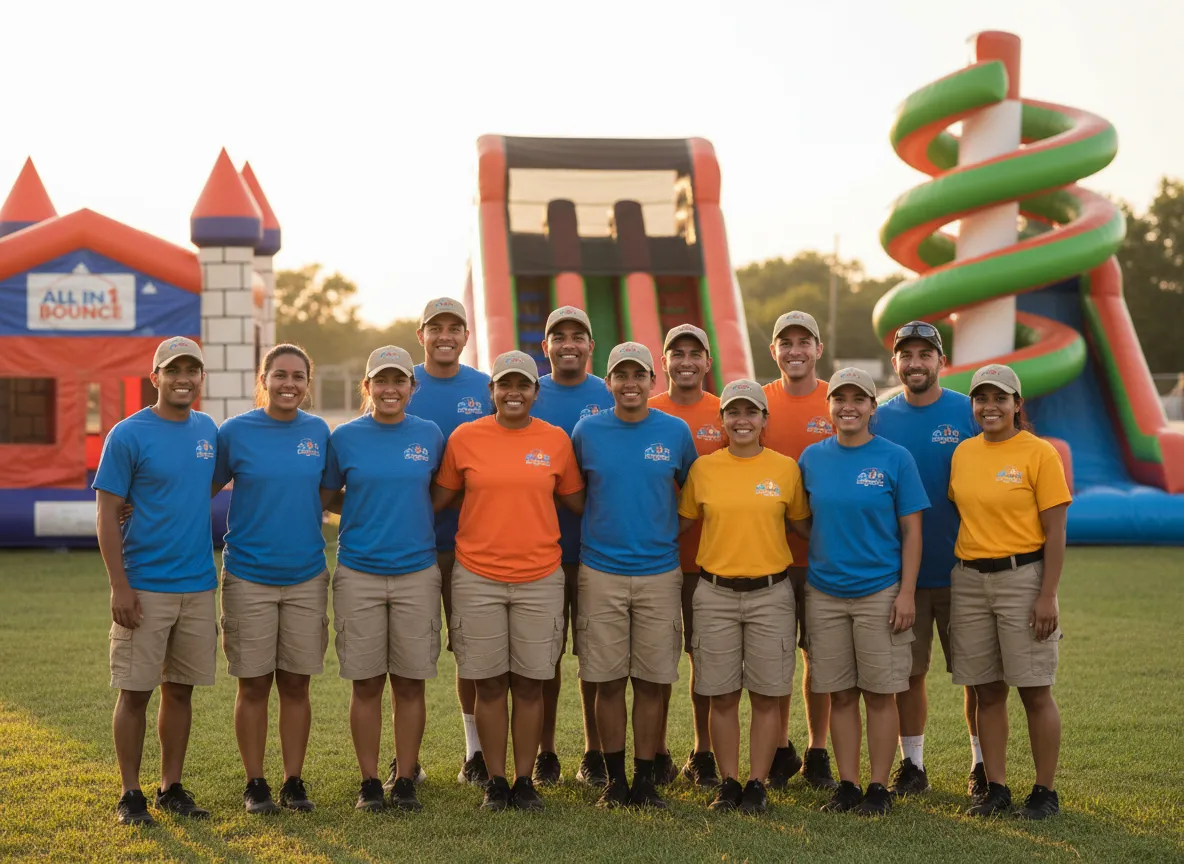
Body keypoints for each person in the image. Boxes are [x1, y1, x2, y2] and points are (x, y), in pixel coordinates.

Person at [432, 351, 584, 812]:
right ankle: (496, 781)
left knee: (532, 683)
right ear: (491, 391)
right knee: (490, 684)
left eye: (522, 385)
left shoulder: (556, 440)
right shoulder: (465, 438)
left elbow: (579, 503)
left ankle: (525, 780)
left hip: (540, 578)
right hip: (477, 577)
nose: (513, 393)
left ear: (536, 392)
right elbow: (440, 497)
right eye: (504, 385)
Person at [94, 337, 219, 825]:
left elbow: (201, 485)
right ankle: (130, 793)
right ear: (156, 378)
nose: (183, 378)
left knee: (181, 690)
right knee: (135, 691)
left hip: (198, 585)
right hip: (144, 586)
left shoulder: (208, 430)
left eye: (192, 370)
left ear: (200, 378)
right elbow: (106, 514)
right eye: (173, 370)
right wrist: (119, 586)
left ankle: (171, 787)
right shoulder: (128, 435)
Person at [570, 342, 698, 809]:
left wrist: (661, 531)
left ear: (652, 381)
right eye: (620, 375)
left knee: (651, 679)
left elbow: (691, 498)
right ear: (608, 383)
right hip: (600, 572)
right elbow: (575, 494)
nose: (630, 383)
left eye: (638, 375)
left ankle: (645, 780)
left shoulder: (676, 431)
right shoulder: (587, 431)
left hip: (660, 573)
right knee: (606, 680)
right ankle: (615, 779)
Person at [798, 367, 929, 816]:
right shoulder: (811, 458)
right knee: (840, 694)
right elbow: (800, 519)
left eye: (858, 399)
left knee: (880, 692)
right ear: (829, 407)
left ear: (873, 408)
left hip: (880, 591)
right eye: (840, 399)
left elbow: (912, 531)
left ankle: (878, 787)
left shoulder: (895, 458)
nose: (848, 407)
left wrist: (906, 593)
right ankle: (848, 784)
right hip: (825, 593)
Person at [677, 379, 812, 814]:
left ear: (764, 419)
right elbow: (678, 524)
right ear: (722, 421)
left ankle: (757, 782)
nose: (742, 420)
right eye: (733, 413)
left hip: (771, 593)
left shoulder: (785, 469)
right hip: (714, 592)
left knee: (768, 694)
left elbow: (804, 527)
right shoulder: (704, 469)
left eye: (751, 412)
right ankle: (729, 782)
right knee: (721, 694)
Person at [321, 346, 445, 812]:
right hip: (359, 573)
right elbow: (328, 496)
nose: (390, 389)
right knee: (366, 682)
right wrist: (368, 514)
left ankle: (406, 777)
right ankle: (370, 781)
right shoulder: (345, 437)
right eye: (381, 380)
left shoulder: (430, 435)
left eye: (400, 381)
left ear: (413, 388)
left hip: (416, 572)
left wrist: (405, 517)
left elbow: (439, 492)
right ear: (367, 387)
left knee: (411, 682)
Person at [212, 344, 331, 814]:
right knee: (254, 684)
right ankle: (256, 782)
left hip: (305, 576)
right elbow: (198, 486)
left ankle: (293, 781)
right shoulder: (235, 432)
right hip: (248, 577)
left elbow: (327, 491)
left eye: (298, 376)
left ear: (308, 382)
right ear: (263, 378)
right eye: (279, 375)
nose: (289, 384)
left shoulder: (319, 431)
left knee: (297, 685)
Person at [948, 364, 1071, 820]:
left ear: (1018, 405)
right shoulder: (963, 453)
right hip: (970, 580)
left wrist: (1048, 594)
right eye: (981, 398)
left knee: (1035, 690)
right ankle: (995, 787)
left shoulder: (1040, 454)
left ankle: (1044, 792)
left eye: (1000, 398)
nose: (990, 406)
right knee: (986, 691)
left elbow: (1055, 531)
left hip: (1024, 578)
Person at [872, 321, 983, 798]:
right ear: (895, 362)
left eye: (925, 354)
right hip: (905, 577)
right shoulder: (880, 417)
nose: (915, 363)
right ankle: (912, 765)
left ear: (942, 361)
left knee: (977, 675)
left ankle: (982, 765)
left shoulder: (969, 411)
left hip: (968, 570)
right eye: (906, 355)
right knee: (907, 674)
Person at [405, 297, 493, 787]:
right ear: (421, 334)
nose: (444, 335)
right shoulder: (399, 383)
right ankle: (406, 759)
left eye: (454, 327)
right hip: (412, 546)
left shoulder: (485, 388)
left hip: (471, 546)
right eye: (435, 327)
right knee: (410, 654)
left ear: (465, 334)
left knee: (471, 653)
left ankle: (475, 754)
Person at [530, 306, 615, 787]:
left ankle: (594, 752)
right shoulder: (527, 392)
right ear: (545, 347)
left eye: (577, 335)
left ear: (590, 345)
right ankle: (545, 752)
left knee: (594, 656)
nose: (568, 343)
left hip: (595, 550)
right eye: (557, 336)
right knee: (544, 657)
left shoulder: (611, 393)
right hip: (537, 551)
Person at [760, 310, 837, 789]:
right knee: (774, 657)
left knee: (820, 657)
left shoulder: (841, 400)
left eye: (803, 341)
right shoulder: (757, 403)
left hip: (824, 557)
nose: (794, 350)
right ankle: (779, 748)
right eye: (785, 342)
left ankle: (818, 750)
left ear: (818, 349)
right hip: (768, 557)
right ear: (774, 351)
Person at [649, 323, 726, 787]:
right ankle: (654, 748)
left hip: (711, 561)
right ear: (664, 362)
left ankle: (703, 750)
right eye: (676, 353)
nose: (685, 361)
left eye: (694, 353)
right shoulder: (645, 410)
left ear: (707, 362)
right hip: (655, 561)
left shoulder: (728, 411)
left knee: (705, 658)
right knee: (656, 659)